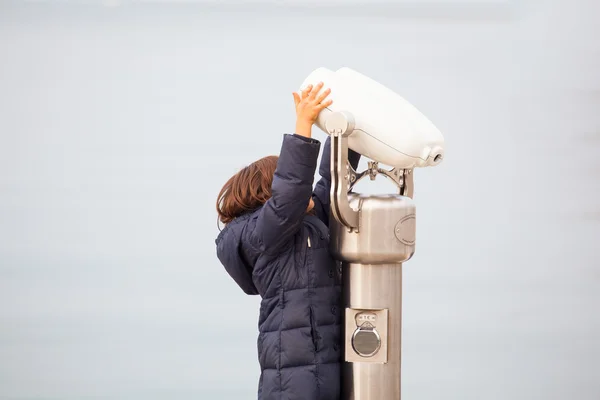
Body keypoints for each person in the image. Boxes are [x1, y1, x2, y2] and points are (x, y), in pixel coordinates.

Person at [215, 82, 360, 400]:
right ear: (267, 195)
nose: (305, 189)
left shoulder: (309, 221)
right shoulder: (262, 234)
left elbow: (333, 180)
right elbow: (291, 192)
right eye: (293, 183)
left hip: (323, 370)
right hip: (291, 382)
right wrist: (304, 122)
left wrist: (349, 130)